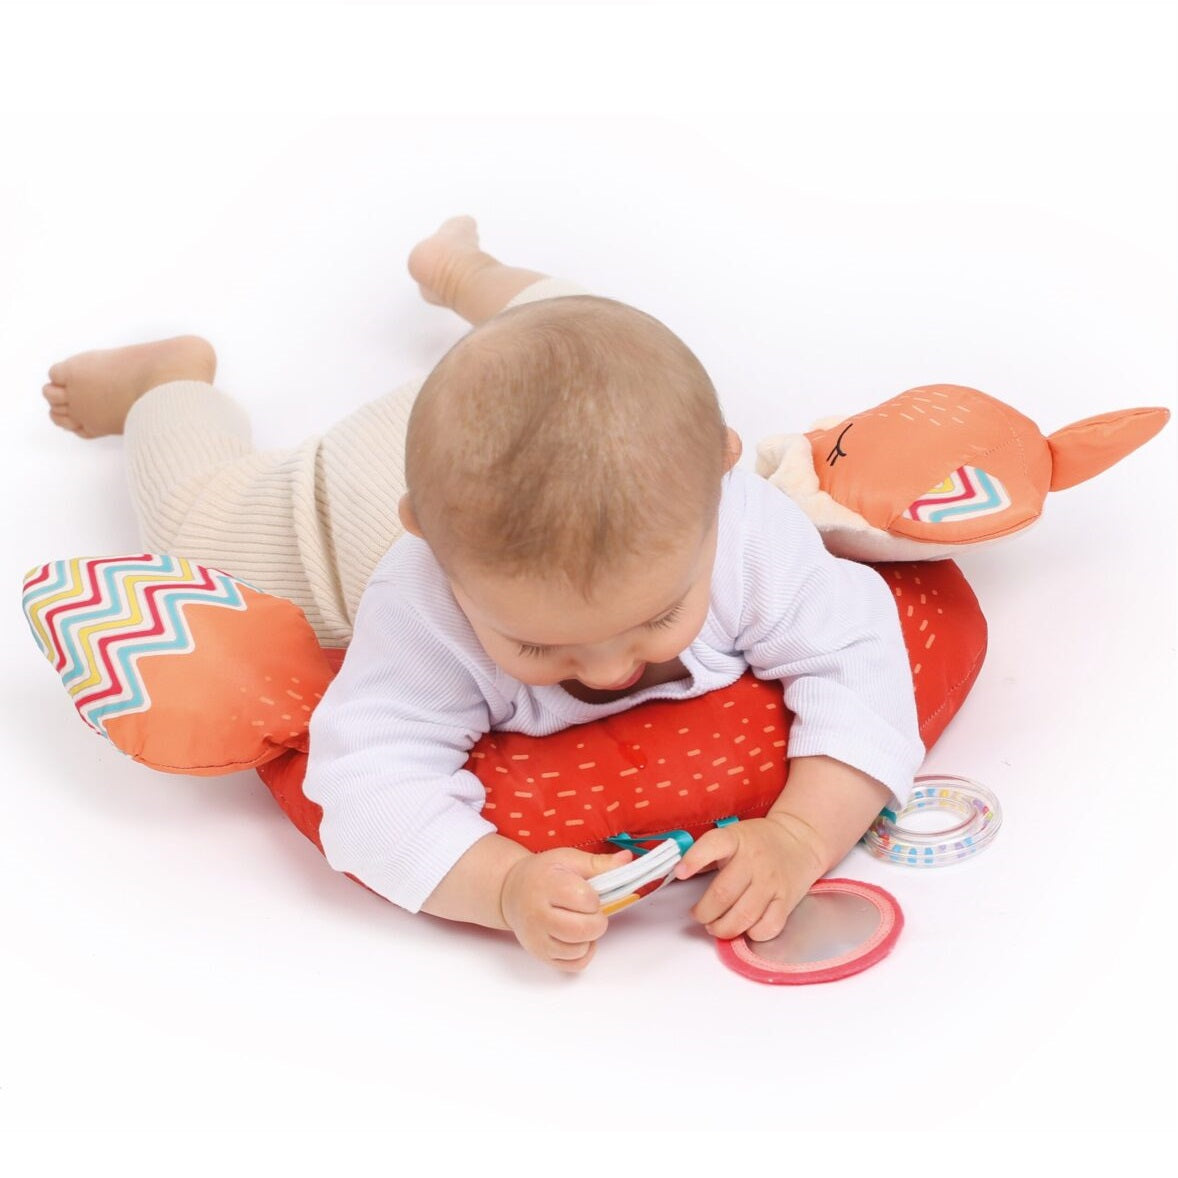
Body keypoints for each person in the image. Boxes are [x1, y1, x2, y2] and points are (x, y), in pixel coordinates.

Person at [42, 217, 923, 973]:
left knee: (585, 330)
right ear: (435, 556)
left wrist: (802, 836)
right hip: (328, 518)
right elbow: (366, 781)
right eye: (538, 645)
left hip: (515, 423)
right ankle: (167, 386)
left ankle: (469, 276)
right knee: (197, 522)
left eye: (657, 617)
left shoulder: (738, 524)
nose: (610, 671)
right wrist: (499, 885)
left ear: (722, 475)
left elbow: (856, 654)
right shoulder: (422, 609)